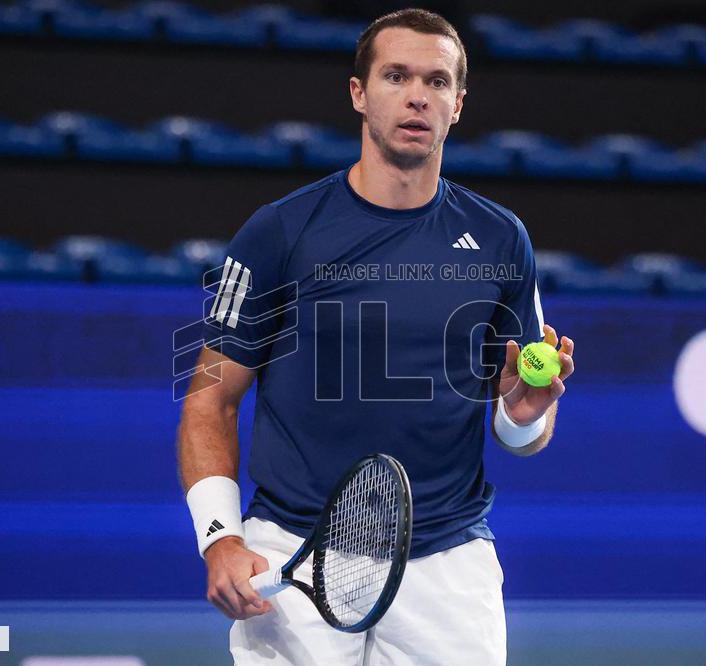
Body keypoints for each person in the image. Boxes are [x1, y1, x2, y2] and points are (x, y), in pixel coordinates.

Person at [178, 8, 576, 665]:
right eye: (396, 76)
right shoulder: (279, 232)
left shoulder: (503, 240)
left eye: (438, 81)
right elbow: (209, 400)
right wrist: (220, 538)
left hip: (448, 565)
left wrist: (523, 412)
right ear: (359, 93)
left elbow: (522, 435)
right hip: (291, 551)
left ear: (459, 105)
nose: (419, 95)